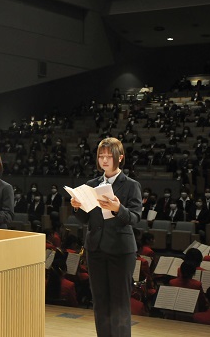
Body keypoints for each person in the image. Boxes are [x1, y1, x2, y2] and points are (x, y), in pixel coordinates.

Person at [71, 137, 142, 337]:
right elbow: (85, 218)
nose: (104, 160)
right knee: (100, 301)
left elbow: (135, 218)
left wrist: (118, 208)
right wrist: (76, 207)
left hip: (121, 249)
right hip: (95, 248)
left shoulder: (130, 185)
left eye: (109, 156)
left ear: (120, 158)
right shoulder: (91, 184)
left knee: (119, 302)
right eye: (101, 156)